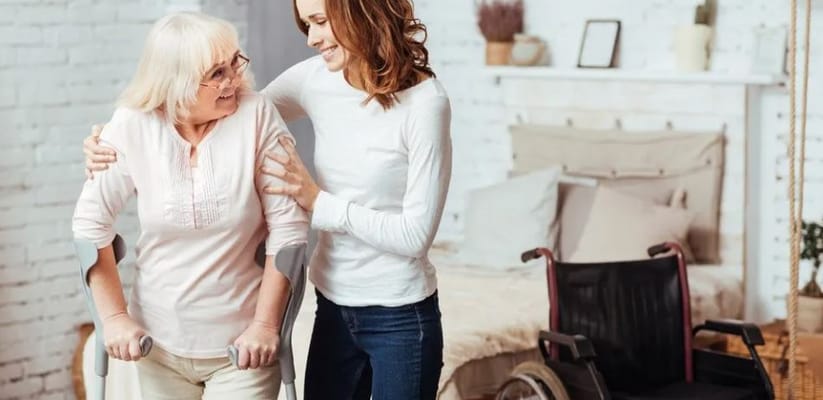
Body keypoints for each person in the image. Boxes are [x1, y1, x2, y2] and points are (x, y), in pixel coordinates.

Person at [83, 0, 452, 398]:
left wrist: (316, 201)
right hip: (332, 304)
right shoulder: (316, 79)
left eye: (319, 21)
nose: (311, 39)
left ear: (360, 13)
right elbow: (235, 109)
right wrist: (118, 138)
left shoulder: (425, 103)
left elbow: (415, 237)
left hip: (399, 311)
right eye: (305, 24)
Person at [73, 11, 308, 399]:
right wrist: (114, 318)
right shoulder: (133, 125)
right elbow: (90, 224)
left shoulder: (256, 115)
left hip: (242, 349)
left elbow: (289, 229)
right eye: (217, 73)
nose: (234, 80)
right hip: (156, 344)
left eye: (235, 62)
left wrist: (266, 327)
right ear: (176, 83)